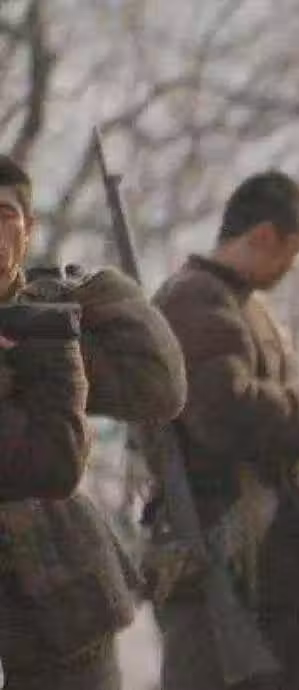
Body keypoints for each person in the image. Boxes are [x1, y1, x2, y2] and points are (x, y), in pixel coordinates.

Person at [152, 170, 299, 690]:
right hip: (219, 551)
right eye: (292, 250)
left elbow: (272, 442)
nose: (292, 264)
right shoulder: (195, 300)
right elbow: (228, 414)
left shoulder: (243, 306)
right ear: (265, 236)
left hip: (266, 556)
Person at [0, 153, 188, 690]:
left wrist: (97, 293)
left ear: (28, 230)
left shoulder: (51, 316)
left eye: (4, 215)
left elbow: (158, 386)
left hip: (57, 593)